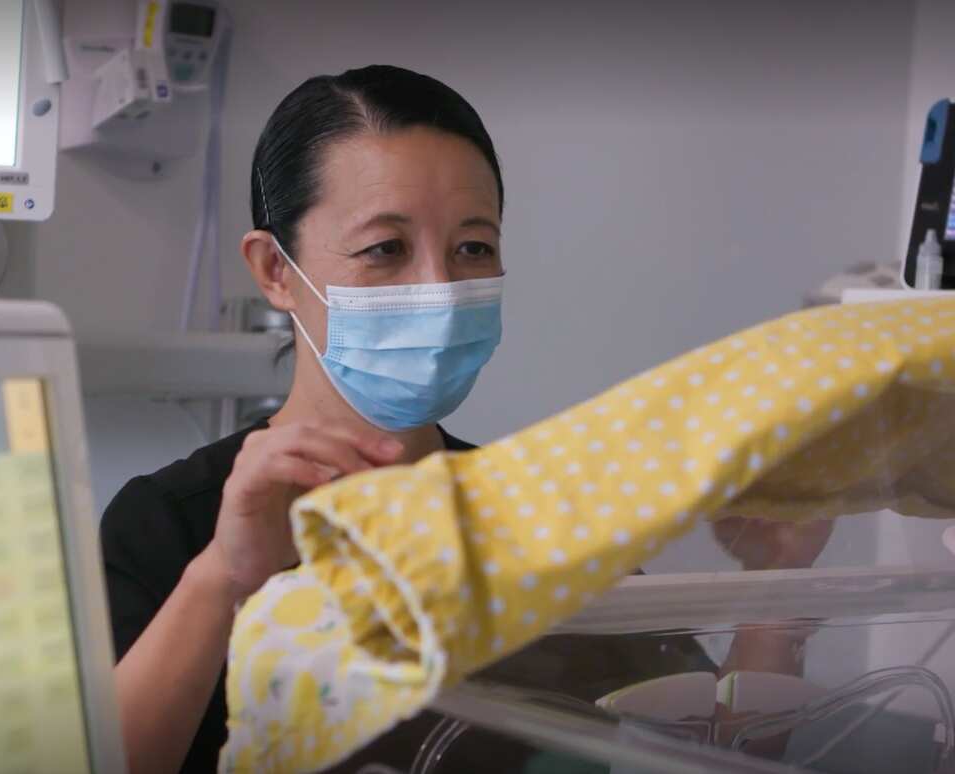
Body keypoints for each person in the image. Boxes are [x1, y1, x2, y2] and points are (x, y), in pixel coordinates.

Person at [100, 65, 830, 774]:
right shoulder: (169, 526)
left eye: (472, 247)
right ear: (275, 271)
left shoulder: (541, 520)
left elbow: (713, 755)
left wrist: (779, 579)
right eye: (385, 249)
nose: (441, 290)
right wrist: (223, 579)